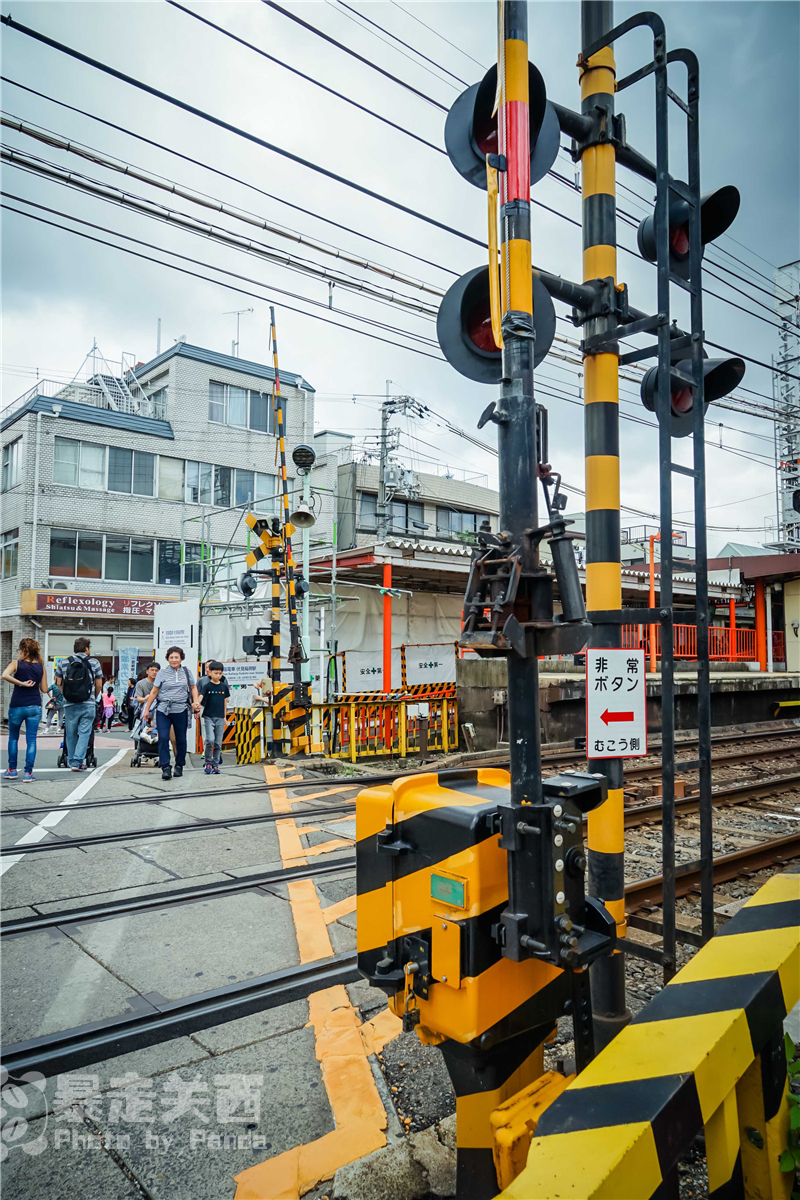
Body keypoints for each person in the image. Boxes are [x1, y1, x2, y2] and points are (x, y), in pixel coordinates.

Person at [141, 647, 201, 780]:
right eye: (171, 657)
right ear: (167, 659)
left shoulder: (186, 672)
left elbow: (193, 687)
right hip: (163, 710)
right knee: (163, 737)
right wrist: (147, 710)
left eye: (176, 657)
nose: (174, 660)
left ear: (181, 658)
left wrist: (196, 702)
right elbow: (154, 692)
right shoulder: (162, 673)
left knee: (180, 739)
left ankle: (179, 765)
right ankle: (166, 767)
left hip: (181, 710)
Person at [55, 636, 103, 771]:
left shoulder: (64, 662)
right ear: (87, 648)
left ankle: (71, 761)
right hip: (88, 703)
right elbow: (99, 684)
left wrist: (66, 694)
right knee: (84, 732)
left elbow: (58, 683)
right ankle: (77, 761)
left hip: (69, 703)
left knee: (70, 732)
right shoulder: (94, 662)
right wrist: (93, 696)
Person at [2, 637, 47, 781]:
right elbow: (44, 689)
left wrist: (21, 683)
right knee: (31, 740)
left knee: (13, 738)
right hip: (34, 706)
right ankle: (28, 773)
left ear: (23, 651)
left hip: (17, 706)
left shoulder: (16, 664)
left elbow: (4, 675)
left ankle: (12, 770)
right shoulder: (41, 666)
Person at [197, 660, 230, 775]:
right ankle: (208, 762)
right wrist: (197, 705)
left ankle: (215, 765)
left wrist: (225, 717)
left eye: (220, 673)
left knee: (218, 742)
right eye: (216, 673)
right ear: (209, 673)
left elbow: (225, 702)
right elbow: (200, 697)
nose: (218, 675)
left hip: (220, 717)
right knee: (209, 740)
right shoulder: (206, 686)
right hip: (208, 717)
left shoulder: (224, 687)